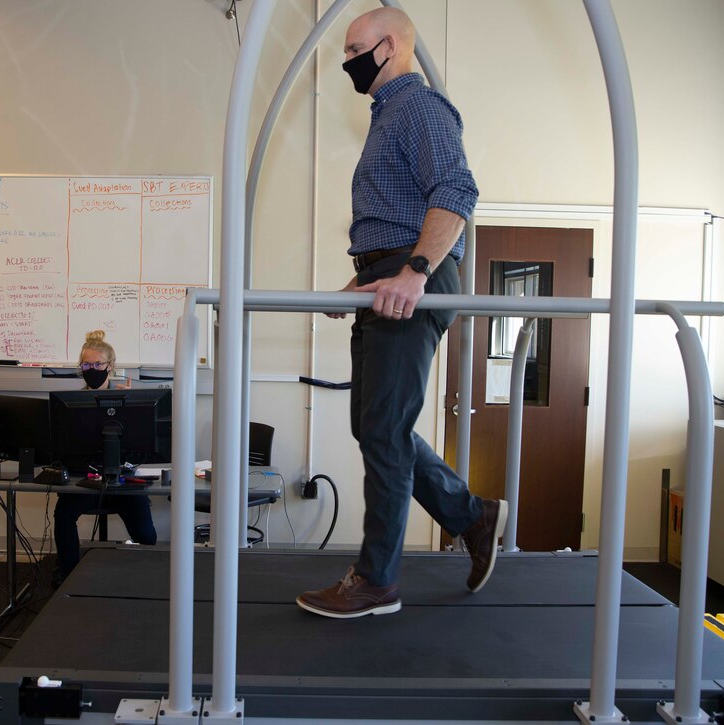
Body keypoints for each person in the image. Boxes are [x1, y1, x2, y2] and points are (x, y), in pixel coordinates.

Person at [296, 7, 508, 619]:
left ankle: (377, 580)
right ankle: (472, 514)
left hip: (412, 279)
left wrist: (413, 272)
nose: (347, 62)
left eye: (355, 49)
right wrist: (360, 280)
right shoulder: (388, 115)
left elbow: (456, 191)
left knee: (383, 430)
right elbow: (396, 218)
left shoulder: (419, 107)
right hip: (386, 276)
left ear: (389, 47)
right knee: (374, 426)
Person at [52, 330, 157, 586]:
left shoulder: (128, 398)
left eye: (98, 364)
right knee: (63, 514)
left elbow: (143, 448)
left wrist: (132, 407)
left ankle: (147, 580)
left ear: (111, 366)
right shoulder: (71, 404)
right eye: (86, 364)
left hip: (122, 480)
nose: (92, 369)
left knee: (146, 534)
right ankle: (68, 575)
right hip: (85, 480)